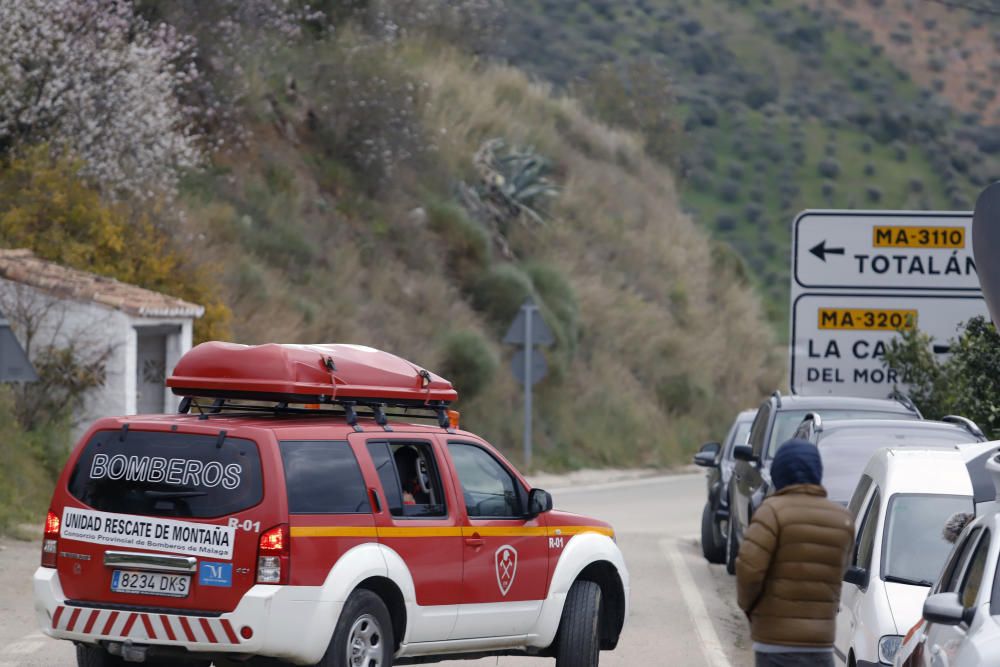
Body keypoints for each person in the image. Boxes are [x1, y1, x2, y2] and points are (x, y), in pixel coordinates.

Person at [736, 439, 854, 667]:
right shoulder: (843, 519)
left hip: (774, 643)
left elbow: (748, 571)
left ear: (779, 472)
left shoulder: (770, 512)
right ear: (816, 471)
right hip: (821, 644)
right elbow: (840, 572)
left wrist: (750, 610)